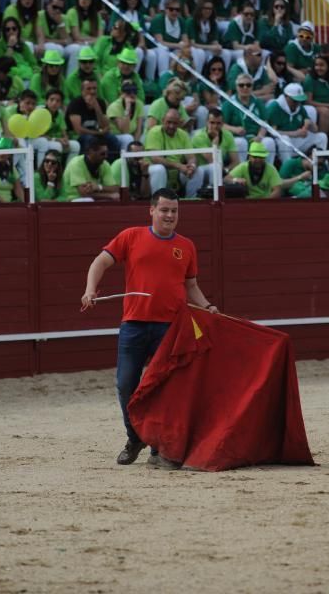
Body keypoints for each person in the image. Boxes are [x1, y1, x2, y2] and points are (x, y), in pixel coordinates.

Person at [80, 188, 218, 468]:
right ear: (152, 211)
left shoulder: (187, 246)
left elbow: (190, 286)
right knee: (125, 384)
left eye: (174, 211)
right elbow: (101, 261)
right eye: (165, 210)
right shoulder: (131, 236)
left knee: (163, 388)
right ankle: (135, 438)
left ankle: (159, 446)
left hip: (170, 328)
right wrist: (90, 289)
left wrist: (207, 306)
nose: (170, 215)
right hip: (134, 324)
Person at [144, 108, 205, 197]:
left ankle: (192, 202)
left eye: (175, 123)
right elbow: (155, 158)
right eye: (168, 122)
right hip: (155, 171)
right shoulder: (154, 132)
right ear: (162, 121)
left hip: (177, 172)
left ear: (180, 123)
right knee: (159, 169)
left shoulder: (183, 134)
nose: (171, 126)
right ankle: (158, 202)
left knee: (198, 171)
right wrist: (179, 166)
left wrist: (192, 166)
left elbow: (191, 157)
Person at [265, 82, 327, 162]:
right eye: (294, 100)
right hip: (282, 143)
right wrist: (295, 133)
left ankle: (320, 164)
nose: (297, 103)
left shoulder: (299, 107)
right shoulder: (275, 107)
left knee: (322, 137)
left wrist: (309, 123)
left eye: (299, 100)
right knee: (285, 139)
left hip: (297, 140)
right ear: (286, 96)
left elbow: (315, 130)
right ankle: (287, 165)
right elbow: (272, 132)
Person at [61, 135, 120, 201]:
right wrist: (109, 195)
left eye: (107, 153)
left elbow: (115, 189)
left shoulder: (104, 164)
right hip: (73, 199)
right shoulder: (76, 164)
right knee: (88, 200)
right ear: (91, 152)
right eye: (102, 154)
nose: (106, 156)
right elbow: (84, 194)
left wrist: (99, 187)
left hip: (93, 198)